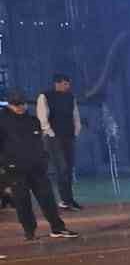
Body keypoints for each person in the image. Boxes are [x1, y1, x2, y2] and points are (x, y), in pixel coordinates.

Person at [0, 90, 78, 239]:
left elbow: (40, 143)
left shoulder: (32, 121)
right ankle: (29, 231)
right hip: (14, 169)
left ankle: (58, 228)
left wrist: (43, 159)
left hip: (36, 167)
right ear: (9, 104)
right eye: (16, 104)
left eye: (22, 103)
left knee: (47, 198)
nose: (20, 107)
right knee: (23, 202)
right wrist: (5, 166)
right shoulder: (2, 122)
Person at [37, 74, 83, 210]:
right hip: (53, 137)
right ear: (57, 83)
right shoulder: (45, 96)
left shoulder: (70, 97)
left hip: (68, 136)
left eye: (68, 84)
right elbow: (42, 117)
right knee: (61, 168)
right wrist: (50, 133)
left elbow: (75, 115)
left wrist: (76, 131)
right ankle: (64, 200)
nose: (67, 86)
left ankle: (69, 199)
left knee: (69, 168)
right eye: (65, 84)